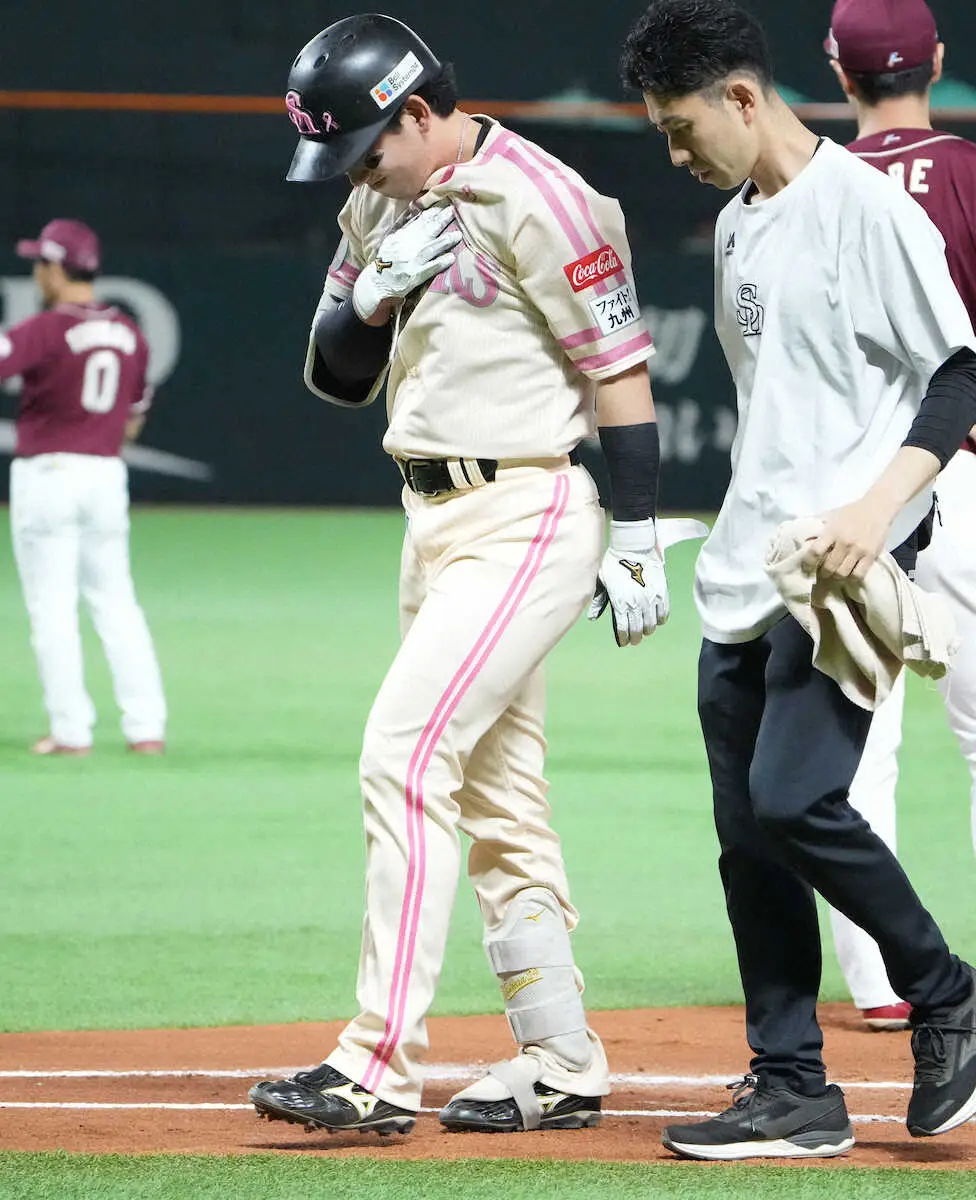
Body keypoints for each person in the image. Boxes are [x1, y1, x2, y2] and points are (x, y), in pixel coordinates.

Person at [248, 13, 669, 1137]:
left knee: (403, 755)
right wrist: (368, 297)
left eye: (367, 148)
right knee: (498, 801)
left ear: (423, 112)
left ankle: (374, 1065)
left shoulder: (547, 199)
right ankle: (563, 1057)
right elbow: (337, 376)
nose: (357, 173)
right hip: (429, 521)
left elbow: (620, 374)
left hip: (525, 512)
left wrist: (634, 533)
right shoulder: (379, 201)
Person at [621, 0, 976, 1162]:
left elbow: (957, 374)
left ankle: (947, 992)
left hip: (843, 563)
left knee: (793, 798)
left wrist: (877, 513)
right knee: (747, 840)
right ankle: (792, 1089)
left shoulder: (864, 207)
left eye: (679, 127)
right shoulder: (737, 227)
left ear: (740, 95)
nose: (675, 154)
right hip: (748, 562)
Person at [821, 0, 976, 1034]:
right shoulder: (970, 174)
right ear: (937, 60)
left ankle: (883, 981)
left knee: (854, 744)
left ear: (839, 71)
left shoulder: (810, 185)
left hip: (851, 494)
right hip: (966, 474)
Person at [0, 219, 166, 757]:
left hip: (48, 473)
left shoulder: (45, 330)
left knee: (52, 607)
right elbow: (133, 421)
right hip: (104, 474)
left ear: (54, 268)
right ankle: (146, 728)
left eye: (39, 263)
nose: (36, 273)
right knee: (117, 602)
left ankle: (71, 731)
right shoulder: (130, 333)